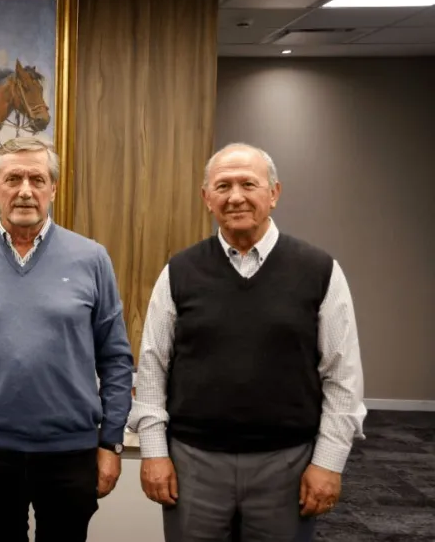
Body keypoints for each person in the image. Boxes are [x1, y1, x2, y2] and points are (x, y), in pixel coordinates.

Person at [128, 142, 367, 542]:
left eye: (248, 184)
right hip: (193, 465)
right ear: (207, 198)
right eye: (222, 186)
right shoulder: (179, 272)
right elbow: (152, 369)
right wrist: (154, 452)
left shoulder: (320, 271)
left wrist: (328, 462)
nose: (235, 196)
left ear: (273, 194)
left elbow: (342, 377)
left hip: (287, 465)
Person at [0, 136, 135, 542]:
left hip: (70, 454)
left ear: (53, 189)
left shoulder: (92, 258)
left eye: (37, 179)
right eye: (13, 179)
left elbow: (115, 359)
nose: (25, 190)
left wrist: (111, 442)